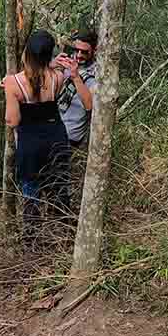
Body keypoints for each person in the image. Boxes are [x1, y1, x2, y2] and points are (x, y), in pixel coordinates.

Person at [4, 30, 71, 230]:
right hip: (57, 137)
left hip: (30, 143)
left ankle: (32, 237)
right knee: (58, 186)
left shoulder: (13, 83)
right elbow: (44, 75)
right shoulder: (58, 78)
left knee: (31, 189)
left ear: (27, 53)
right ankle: (62, 231)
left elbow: (13, 120)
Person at [53, 27, 98, 208]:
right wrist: (53, 64)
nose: (78, 55)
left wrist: (76, 76)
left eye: (84, 52)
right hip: (53, 125)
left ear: (94, 50)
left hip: (70, 134)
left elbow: (90, 105)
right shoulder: (69, 60)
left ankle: (61, 217)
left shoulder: (98, 73)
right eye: (76, 50)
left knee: (60, 179)